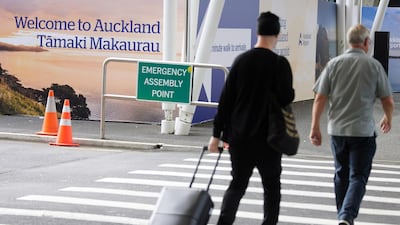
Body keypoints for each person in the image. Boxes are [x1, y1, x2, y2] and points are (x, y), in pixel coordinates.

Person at [208, 11, 295, 225]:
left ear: (257, 31)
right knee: (272, 186)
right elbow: (287, 98)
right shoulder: (280, 64)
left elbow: (225, 101)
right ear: (277, 33)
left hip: (240, 137)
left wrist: (216, 135)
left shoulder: (241, 61)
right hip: (270, 139)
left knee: (237, 185)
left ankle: (224, 223)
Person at [309, 24, 394, 225]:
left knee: (341, 174)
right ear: (366, 42)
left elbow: (319, 98)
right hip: (363, 133)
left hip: (337, 132)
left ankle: (343, 217)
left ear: (349, 42)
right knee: (358, 177)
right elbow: (388, 100)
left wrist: (314, 127)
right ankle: (346, 217)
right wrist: (388, 117)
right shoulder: (373, 65)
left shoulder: (333, 64)